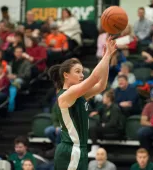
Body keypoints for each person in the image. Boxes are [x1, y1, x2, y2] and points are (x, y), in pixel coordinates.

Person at [48, 36, 116, 170]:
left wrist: (106, 59)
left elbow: (101, 85)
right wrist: (107, 55)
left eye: (82, 72)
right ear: (66, 75)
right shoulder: (66, 94)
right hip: (70, 149)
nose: (82, 75)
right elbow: (94, 78)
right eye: (78, 72)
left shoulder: (80, 94)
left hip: (80, 149)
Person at [88, 90, 125, 157]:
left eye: (104, 97)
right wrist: (96, 112)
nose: (103, 99)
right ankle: (96, 148)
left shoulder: (115, 108)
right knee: (93, 129)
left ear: (108, 99)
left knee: (93, 129)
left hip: (115, 129)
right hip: (107, 128)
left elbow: (114, 123)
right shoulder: (105, 107)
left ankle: (95, 149)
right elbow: (99, 110)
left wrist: (104, 125)